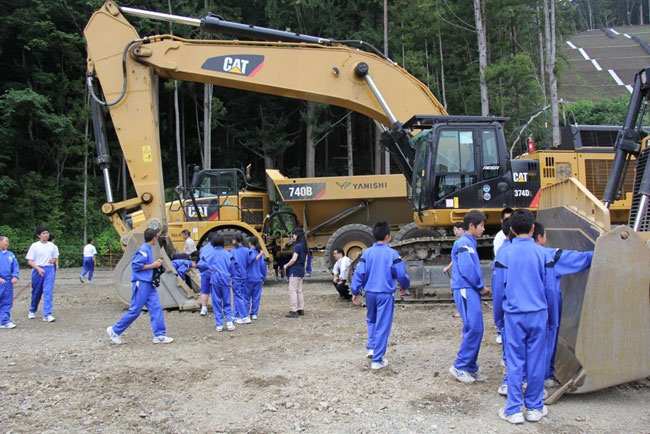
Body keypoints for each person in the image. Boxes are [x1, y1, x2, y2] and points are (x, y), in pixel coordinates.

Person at [493, 209, 557, 424]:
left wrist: (498, 318)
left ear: (510, 230)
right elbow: (551, 290)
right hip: (539, 314)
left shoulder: (504, 254)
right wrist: (553, 319)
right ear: (533, 229)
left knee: (515, 361)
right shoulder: (543, 254)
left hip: (513, 315)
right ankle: (534, 407)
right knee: (536, 361)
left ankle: (513, 410)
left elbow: (498, 290)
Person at [533, 221, 593, 387]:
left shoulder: (508, 254)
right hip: (545, 306)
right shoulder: (550, 256)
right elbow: (581, 259)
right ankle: (543, 377)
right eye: (545, 235)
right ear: (539, 237)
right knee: (545, 340)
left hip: (520, 308)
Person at [350, 220, 410, 370]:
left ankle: (371, 347)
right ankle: (377, 360)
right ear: (388, 237)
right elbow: (401, 274)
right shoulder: (392, 254)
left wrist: (355, 291)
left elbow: (359, 273)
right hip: (385, 294)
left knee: (371, 320)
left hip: (370, 293)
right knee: (383, 325)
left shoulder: (366, 253)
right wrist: (404, 287)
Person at [106, 228, 174, 345]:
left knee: (156, 308)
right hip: (141, 283)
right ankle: (115, 330)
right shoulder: (143, 250)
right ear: (154, 238)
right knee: (135, 310)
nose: (157, 239)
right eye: (156, 237)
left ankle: (159, 335)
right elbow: (136, 266)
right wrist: (153, 265)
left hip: (148, 283)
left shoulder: (146, 249)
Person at [449, 210, 490, 383]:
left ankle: (470, 367)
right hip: (466, 288)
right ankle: (459, 366)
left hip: (469, 289)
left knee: (476, 328)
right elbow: (467, 269)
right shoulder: (464, 243)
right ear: (472, 226)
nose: (483, 229)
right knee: (473, 328)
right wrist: (480, 287)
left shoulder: (468, 242)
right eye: (481, 225)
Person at [26, 226, 58, 322]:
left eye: (47, 233)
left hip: (49, 270)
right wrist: (38, 268)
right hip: (38, 269)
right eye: (43, 233)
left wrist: (53, 260)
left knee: (48, 291)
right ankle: (32, 310)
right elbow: (30, 261)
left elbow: (55, 258)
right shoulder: (34, 246)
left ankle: (47, 314)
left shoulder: (52, 246)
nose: (46, 235)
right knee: (37, 292)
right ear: (39, 235)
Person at [207, 235, 236, 332]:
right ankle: (229, 322)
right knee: (227, 301)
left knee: (216, 302)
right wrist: (232, 277)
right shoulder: (227, 254)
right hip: (225, 280)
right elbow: (233, 267)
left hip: (215, 279)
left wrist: (210, 270)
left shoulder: (210, 253)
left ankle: (219, 324)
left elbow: (201, 264)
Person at [283, 227, 308, 318]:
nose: (293, 237)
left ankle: (294, 310)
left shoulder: (297, 246)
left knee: (292, 290)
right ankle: (301, 309)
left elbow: (294, 259)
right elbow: (305, 260)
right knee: (299, 291)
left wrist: (286, 265)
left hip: (295, 270)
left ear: (296, 235)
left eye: (293, 235)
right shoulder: (304, 246)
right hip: (301, 269)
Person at [230, 233, 251, 324]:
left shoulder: (232, 252)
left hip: (236, 277)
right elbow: (249, 262)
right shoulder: (247, 250)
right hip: (245, 276)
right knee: (241, 295)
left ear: (235, 240)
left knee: (238, 296)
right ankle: (235, 315)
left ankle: (244, 316)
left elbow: (231, 265)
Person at [0, 236, 19, 329]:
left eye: (8, 241)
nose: (7, 243)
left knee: (7, 301)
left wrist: (15, 276)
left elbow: (15, 266)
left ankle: (5, 321)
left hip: (7, 282)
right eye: (5, 241)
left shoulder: (10, 254)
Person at [246, 237, 266, 320]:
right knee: (256, 297)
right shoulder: (260, 254)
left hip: (248, 278)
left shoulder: (248, 252)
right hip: (258, 278)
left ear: (250, 243)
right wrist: (263, 277)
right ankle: (254, 313)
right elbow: (263, 266)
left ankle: (246, 313)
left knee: (247, 297)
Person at [197, 234, 216, 316]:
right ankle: (217, 308)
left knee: (205, 291)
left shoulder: (203, 249)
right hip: (214, 272)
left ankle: (203, 308)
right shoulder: (216, 249)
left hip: (204, 272)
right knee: (215, 291)